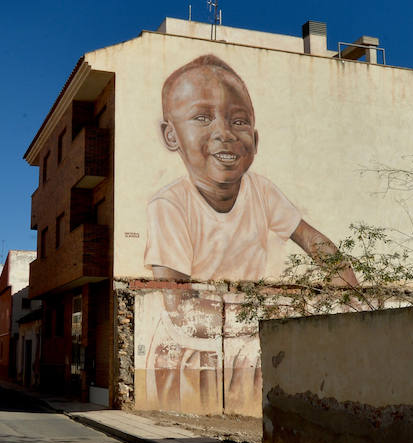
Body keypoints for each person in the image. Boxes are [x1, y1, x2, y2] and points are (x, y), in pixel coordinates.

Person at [143, 54, 356, 285]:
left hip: (255, 313)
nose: (224, 133)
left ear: (254, 141)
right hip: (205, 315)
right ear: (171, 135)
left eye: (239, 121)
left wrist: (352, 297)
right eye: (203, 117)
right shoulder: (170, 204)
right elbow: (172, 295)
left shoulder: (260, 190)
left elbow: (311, 239)